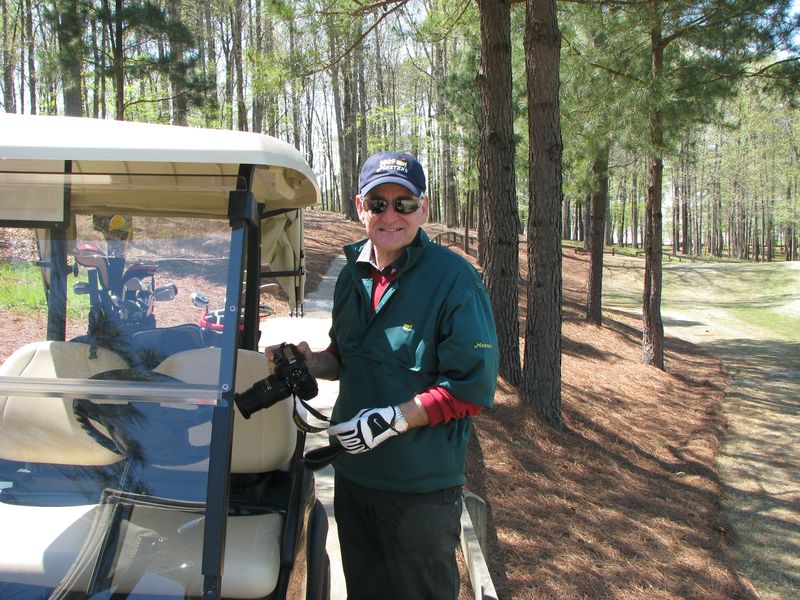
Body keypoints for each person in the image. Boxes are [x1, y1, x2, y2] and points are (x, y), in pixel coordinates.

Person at [267, 151, 499, 600]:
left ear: (423, 209)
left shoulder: (454, 280)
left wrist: (394, 419)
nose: (390, 215)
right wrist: (310, 362)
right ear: (361, 208)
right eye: (378, 203)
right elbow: (346, 356)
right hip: (355, 479)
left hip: (419, 493)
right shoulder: (351, 275)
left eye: (404, 203)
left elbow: (472, 388)